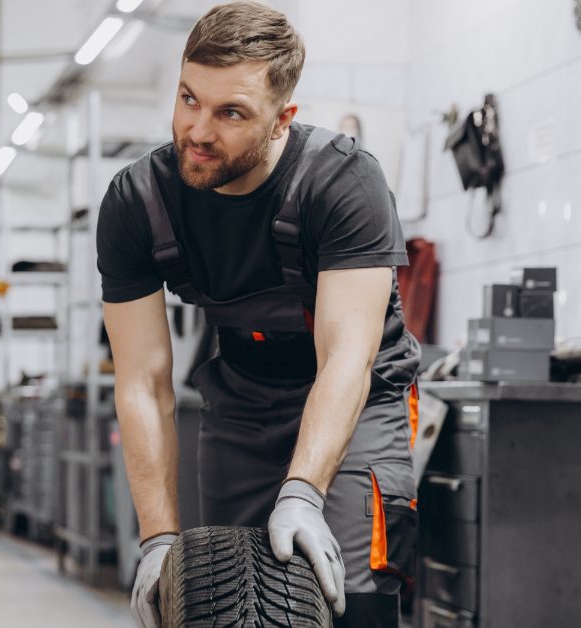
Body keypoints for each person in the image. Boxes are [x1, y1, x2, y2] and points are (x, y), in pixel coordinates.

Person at [96, 2, 420, 627]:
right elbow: (141, 381)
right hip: (240, 401)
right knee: (222, 602)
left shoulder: (343, 183)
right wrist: (157, 538)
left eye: (230, 113)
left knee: (348, 597)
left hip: (358, 399)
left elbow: (347, 361)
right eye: (189, 98)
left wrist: (303, 495)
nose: (196, 130)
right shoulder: (138, 202)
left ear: (281, 121)